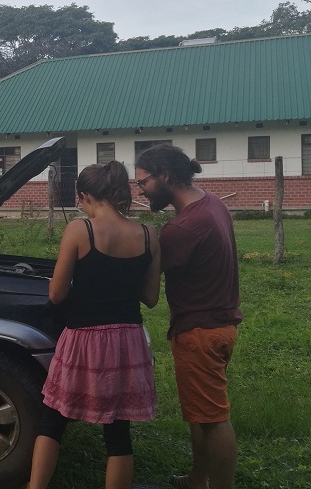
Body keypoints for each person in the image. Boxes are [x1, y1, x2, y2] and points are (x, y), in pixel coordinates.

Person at [29, 161, 161, 489]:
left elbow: (57, 294)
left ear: (85, 196)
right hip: (127, 341)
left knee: (52, 420)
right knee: (118, 432)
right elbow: (151, 297)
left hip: (83, 339)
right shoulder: (148, 235)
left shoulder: (80, 230)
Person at [134, 144, 242, 489]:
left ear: (165, 176)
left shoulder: (183, 229)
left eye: (143, 182)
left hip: (200, 333)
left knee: (214, 419)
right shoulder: (212, 203)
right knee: (200, 413)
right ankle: (198, 478)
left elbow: (145, 281)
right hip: (218, 325)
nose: (140, 190)